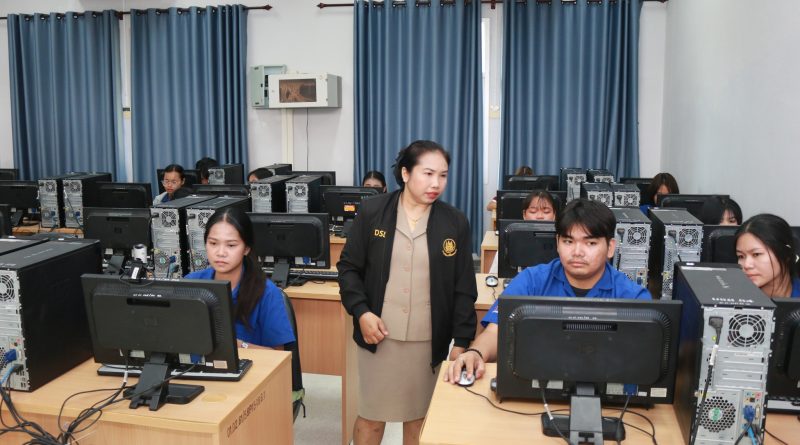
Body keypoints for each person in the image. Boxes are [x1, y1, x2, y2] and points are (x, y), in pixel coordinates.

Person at [338, 140, 477, 445]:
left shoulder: (454, 222)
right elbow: (348, 268)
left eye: (443, 175)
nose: (436, 183)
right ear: (405, 173)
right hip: (378, 335)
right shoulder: (374, 211)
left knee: (418, 421)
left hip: (427, 341)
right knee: (371, 418)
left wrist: (462, 341)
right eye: (428, 174)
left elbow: (464, 287)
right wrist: (361, 312)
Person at [445, 199, 651, 385]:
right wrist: (476, 352)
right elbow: (495, 331)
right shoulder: (532, 281)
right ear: (557, 243)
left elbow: (642, 360)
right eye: (568, 241)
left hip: (607, 396)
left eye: (590, 243)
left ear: (610, 247)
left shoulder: (633, 297)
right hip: (537, 388)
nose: (577, 252)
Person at [186, 207, 296, 348]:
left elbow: (279, 355)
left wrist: (237, 345)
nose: (220, 252)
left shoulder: (267, 293)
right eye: (213, 243)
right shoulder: (191, 283)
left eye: (231, 245)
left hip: (250, 363)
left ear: (246, 249)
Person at [488, 190, 557, 274]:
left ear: (554, 215)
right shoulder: (509, 243)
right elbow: (493, 277)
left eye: (546, 212)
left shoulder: (563, 243)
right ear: (524, 214)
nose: (540, 216)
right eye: (533, 211)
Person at [735, 214, 800, 298]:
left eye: (756, 254)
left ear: (786, 254)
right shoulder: (733, 298)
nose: (746, 265)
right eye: (741, 256)